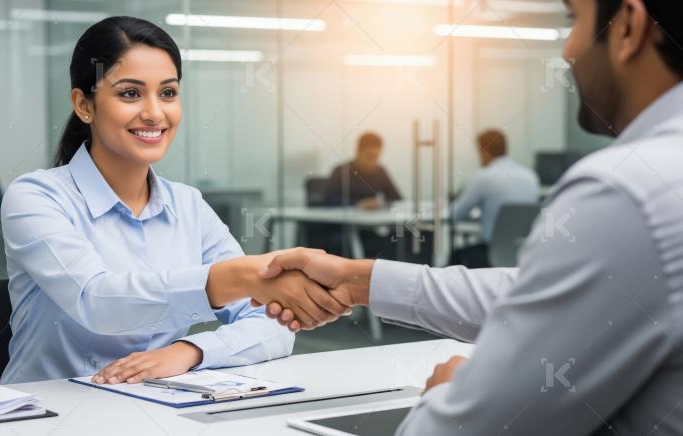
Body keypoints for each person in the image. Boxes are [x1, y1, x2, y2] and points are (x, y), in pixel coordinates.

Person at [255, 0, 683, 433]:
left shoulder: (627, 193)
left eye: (573, 20)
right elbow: (540, 294)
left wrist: (444, 392)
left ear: (628, 25)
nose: (567, 51)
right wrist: (358, 279)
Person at [0, 17, 346, 385]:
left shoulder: (188, 205)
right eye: (130, 93)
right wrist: (239, 277)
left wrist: (189, 352)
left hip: (159, 409)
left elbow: (270, 324)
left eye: (167, 93)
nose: (154, 112)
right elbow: (96, 300)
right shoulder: (36, 197)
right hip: (53, 414)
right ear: (84, 105)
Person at [449, 129, 539, 267]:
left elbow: (454, 215)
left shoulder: (483, 177)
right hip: (524, 253)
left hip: (490, 253)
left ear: (483, 151)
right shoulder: (530, 176)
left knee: (455, 258)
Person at [323, 132, 401, 209]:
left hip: (372, 219)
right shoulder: (341, 171)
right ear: (358, 152)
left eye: (376, 156)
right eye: (370, 156)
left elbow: (397, 199)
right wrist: (357, 204)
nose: (373, 161)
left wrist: (381, 203)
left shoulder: (380, 171)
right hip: (346, 219)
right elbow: (328, 200)